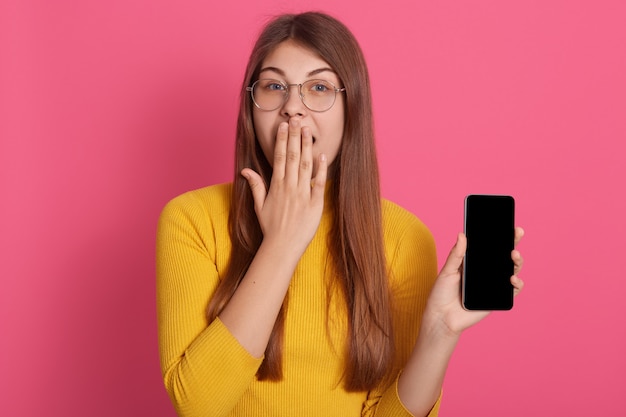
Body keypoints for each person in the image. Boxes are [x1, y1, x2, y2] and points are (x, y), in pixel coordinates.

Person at [156, 11, 524, 417]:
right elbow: (197, 405)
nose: (292, 108)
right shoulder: (191, 219)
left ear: (353, 111)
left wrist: (439, 332)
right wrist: (282, 243)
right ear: (251, 106)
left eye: (319, 87)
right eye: (274, 86)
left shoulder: (404, 238)